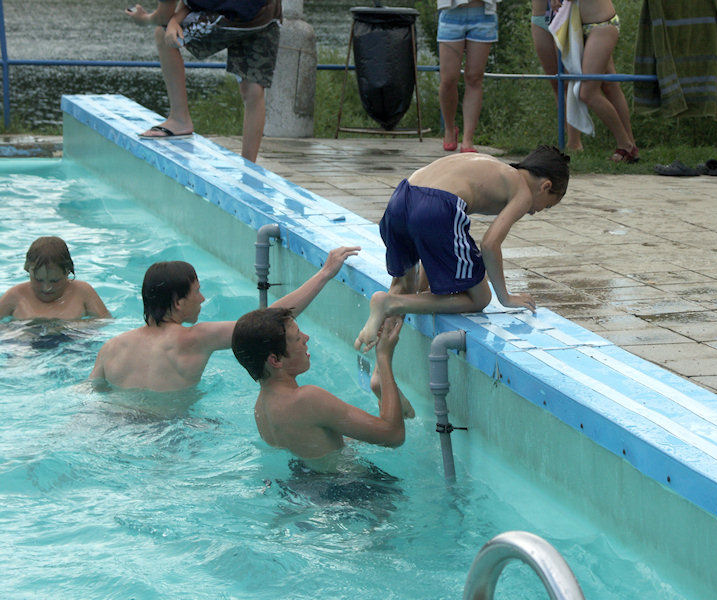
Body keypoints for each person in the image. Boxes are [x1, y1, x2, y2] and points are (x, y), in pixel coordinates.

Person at [354, 146, 569, 352]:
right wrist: (505, 297)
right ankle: (390, 303)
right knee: (480, 297)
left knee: (405, 286)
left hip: (400, 198)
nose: (540, 210)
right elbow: (490, 244)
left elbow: (433, 235)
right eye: (548, 205)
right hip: (435, 206)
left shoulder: (491, 168)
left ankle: (380, 366)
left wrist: (428, 280)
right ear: (545, 186)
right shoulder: (523, 192)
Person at [90, 246, 359, 392]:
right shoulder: (194, 338)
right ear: (178, 302)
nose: (203, 298)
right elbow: (269, 320)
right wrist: (325, 273)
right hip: (170, 435)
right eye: (197, 291)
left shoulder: (111, 347)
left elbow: (91, 391)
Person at [232, 308, 406, 472]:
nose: (306, 338)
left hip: (300, 482)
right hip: (347, 488)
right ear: (275, 360)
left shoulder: (261, 407)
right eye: (298, 337)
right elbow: (394, 435)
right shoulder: (307, 399)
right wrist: (384, 356)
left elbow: (316, 444)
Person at [125, 0, 282, 162]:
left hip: (230, 18)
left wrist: (144, 19)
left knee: (163, 33)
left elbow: (163, 16)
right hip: (266, 14)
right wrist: (175, 20)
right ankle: (249, 164)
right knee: (253, 90)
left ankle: (180, 119)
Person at [552, 0, 637, 162]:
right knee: (610, 87)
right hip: (583, 26)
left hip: (601, 26)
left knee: (588, 93)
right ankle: (631, 145)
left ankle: (625, 144)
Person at [437, 0, 499, 153]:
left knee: (474, 78)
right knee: (448, 79)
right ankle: (449, 128)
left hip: (483, 13)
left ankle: (468, 139)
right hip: (451, 13)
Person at [0, 236, 111, 320]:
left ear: (67, 272)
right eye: (38, 280)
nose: (46, 287)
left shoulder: (82, 291)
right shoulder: (16, 295)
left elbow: (105, 322)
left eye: (54, 281)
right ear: (27, 269)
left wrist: (69, 328)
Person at [530, 0, 582, 150]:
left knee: (569, 81)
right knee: (556, 83)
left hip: (565, 12)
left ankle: (574, 141)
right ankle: (567, 136)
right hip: (540, 16)